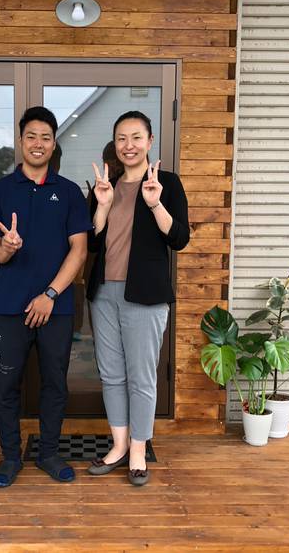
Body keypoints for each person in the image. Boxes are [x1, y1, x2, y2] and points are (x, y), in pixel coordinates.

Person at [0, 106, 91, 487]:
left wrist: (50, 294)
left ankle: (49, 453)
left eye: (45, 137)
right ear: (20, 141)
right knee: (7, 385)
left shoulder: (69, 192)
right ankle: (10, 457)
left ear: (54, 144)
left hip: (56, 308)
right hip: (10, 307)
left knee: (55, 383)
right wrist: (7, 248)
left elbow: (79, 250)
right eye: (31, 136)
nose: (38, 143)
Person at [86, 111, 190, 486]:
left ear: (149, 141)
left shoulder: (167, 183)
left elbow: (179, 238)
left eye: (136, 137)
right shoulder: (106, 186)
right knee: (111, 374)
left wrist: (155, 203)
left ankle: (138, 450)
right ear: (115, 144)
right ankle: (118, 445)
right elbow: (92, 242)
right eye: (121, 138)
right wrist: (102, 204)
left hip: (144, 295)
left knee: (141, 376)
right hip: (104, 294)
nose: (128, 145)